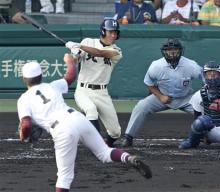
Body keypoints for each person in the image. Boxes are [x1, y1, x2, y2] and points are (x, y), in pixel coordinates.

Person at [17, 54, 152, 192]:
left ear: (24, 79)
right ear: (41, 75)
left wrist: (25, 136)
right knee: (105, 152)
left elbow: (26, 124)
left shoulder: (23, 99)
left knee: (64, 176)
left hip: (61, 130)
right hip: (78, 118)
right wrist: (70, 61)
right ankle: (128, 158)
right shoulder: (52, 86)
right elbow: (70, 76)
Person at [122, 38, 203, 147]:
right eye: (169, 50)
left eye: (175, 50)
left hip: (186, 98)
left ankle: (211, 136)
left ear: (180, 51)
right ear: (164, 52)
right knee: (141, 106)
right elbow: (149, 83)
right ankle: (128, 137)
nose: (172, 53)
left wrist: (203, 95)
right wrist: (160, 96)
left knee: (206, 110)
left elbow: (204, 77)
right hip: (163, 96)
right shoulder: (156, 66)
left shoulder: (191, 65)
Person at [65, 18, 122, 147]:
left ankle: (104, 144)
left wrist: (79, 46)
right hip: (83, 90)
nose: (113, 35)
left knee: (115, 132)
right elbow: (75, 59)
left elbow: (100, 53)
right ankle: (96, 145)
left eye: (115, 33)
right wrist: (75, 53)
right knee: (91, 110)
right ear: (103, 31)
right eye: (110, 32)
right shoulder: (88, 41)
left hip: (102, 93)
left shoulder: (117, 51)